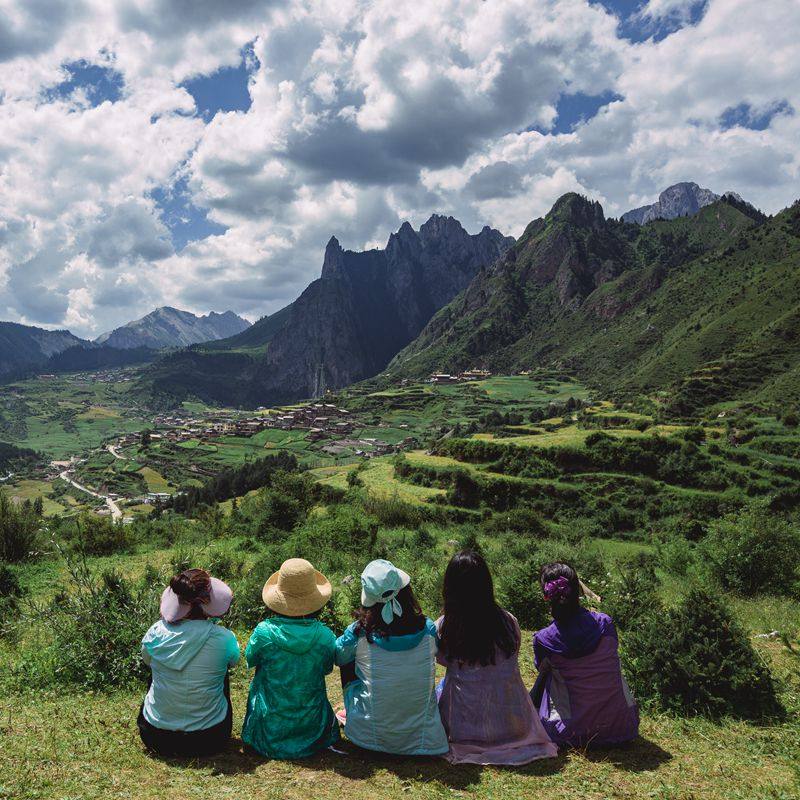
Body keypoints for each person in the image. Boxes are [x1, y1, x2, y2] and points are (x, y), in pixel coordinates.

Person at [436, 551, 557, 765]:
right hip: (511, 726)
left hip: (462, 730)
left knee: (443, 685)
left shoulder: (446, 626)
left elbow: (442, 660)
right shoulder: (508, 622)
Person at [335, 559, 448, 756]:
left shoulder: (359, 633)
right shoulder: (428, 629)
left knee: (349, 661)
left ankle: (354, 712)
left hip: (367, 737)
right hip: (423, 738)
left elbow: (338, 656)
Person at [532, 562, 639, 748]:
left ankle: (530, 710)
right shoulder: (606, 623)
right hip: (623, 726)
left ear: (546, 596)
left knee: (548, 671)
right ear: (578, 591)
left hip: (568, 732)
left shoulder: (544, 638)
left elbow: (541, 669)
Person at [241, 558, 340, 759]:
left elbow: (250, 660)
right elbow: (327, 668)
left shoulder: (264, 632)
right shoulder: (325, 635)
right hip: (313, 728)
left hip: (269, 729)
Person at [138, 568, 239, 757]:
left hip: (155, 737)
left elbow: (147, 661)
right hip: (210, 739)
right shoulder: (224, 638)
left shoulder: (155, 633)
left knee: (155, 669)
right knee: (221, 669)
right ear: (208, 602)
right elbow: (233, 662)